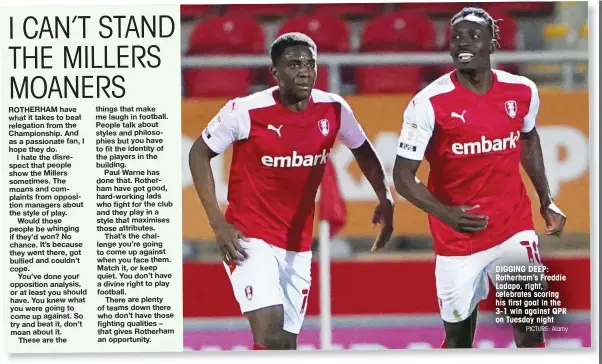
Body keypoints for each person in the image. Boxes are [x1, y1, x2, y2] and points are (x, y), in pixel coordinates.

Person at [189, 32, 395, 350]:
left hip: (296, 246)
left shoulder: (334, 109)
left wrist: (385, 197)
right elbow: (199, 153)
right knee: (270, 336)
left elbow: (363, 150)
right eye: (294, 64)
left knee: (285, 345)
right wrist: (218, 223)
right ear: (275, 72)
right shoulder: (244, 111)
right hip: (248, 239)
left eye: (310, 64)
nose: (304, 71)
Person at [392, 7, 567, 349]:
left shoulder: (522, 91)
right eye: (456, 37)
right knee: (458, 341)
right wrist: (447, 215)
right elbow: (402, 176)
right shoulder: (427, 103)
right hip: (457, 240)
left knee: (530, 326)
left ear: (493, 42)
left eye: (473, 35)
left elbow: (528, 138)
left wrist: (545, 199)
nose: (463, 43)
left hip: (512, 227)